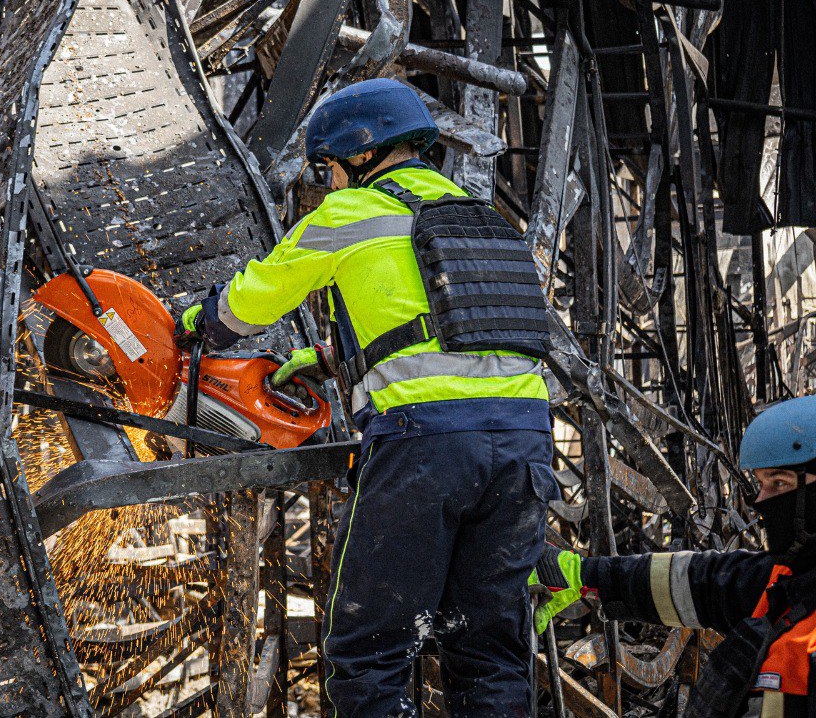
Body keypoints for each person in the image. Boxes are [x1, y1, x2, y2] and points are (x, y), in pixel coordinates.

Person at [177, 77, 556, 716]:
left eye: (326, 171)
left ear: (357, 155)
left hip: (426, 450)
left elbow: (248, 305)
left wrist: (196, 322)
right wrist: (331, 361)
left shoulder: (348, 215)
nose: (325, 185)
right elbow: (459, 325)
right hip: (525, 446)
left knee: (370, 654)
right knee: (487, 651)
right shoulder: (482, 217)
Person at [534, 395, 816, 717]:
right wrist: (585, 576)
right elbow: (697, 584)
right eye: (762, 484)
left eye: (779, 483)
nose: (760, 502)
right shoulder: (783, 582)